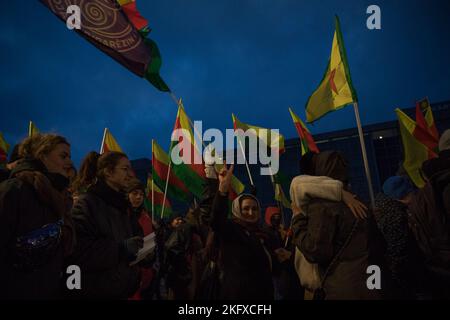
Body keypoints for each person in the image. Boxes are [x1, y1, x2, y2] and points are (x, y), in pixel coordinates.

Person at [291, 151, 382, 300]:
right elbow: (379, 245)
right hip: (373, 282)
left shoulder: (321, 206)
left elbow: (315, 251)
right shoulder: (359, 201)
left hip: (343, 288)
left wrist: (297, 220)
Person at [0, 133, 75, 299]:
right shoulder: (13, 191)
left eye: (70, 156)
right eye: (63, 156)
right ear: (42, 155)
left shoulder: (59, 198)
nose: (69, 163)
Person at [68, 151, 141, 299]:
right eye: (125, 169)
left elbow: (134, 237)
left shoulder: (123, 206)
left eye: (130, 169)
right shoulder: (86, 204)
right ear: (108, 172)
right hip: (95, 291)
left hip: (121, 290)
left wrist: (144, 252)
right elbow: (78, 250)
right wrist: (120, 249)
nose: (131, 174)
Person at [210, 162, 276, 300]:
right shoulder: (231, 230)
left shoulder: (264, 234)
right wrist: (222, 191)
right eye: (245, 208)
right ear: (237, 210)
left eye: (254, 208)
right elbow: (217, 220)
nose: (251, 212)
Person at [374, 175, 430, 299]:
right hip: (405, 279)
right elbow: (399, 253)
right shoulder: (396, 217)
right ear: (403, 197)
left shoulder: (382, 209)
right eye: (411, 194)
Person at [127, 179, 156, 300]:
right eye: (135, 193)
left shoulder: (146, 217)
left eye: (141, 195)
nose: (139, 197)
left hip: (145, 273)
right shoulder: (120, 216)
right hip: (126, 274)